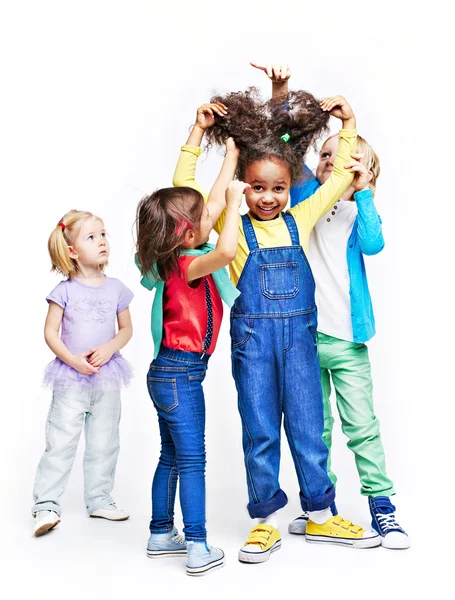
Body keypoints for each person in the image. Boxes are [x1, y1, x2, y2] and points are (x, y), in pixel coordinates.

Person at [174, 88, 380, 562]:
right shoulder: (229, 223)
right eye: (257, 187)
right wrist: (199, 133)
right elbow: (185, 195)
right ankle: (265, 521)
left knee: (309, 425)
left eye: (278, 187)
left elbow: (335, 181)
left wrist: (349, 125)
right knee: (261, 427)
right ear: (241, 187)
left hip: (300, 342)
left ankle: (321, 516)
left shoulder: (302, 216)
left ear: (292, 186)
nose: (268, 197)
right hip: (253, 341)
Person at [254, 60, 410, 550]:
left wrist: (352, 137)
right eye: (324, 154)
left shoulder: (355, 210)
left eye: (339, 157)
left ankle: (382, 508)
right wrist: (280, 92)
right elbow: (281, 148)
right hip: (301, 337)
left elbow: (374, 244)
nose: (328, 160)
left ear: (362, 171)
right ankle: (324, 509)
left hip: (346, 338)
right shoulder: (302, 198)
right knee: (312, 429)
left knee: (362, 428)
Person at [136, 103, 250, 576]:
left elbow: (215, 202)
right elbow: (226, 247)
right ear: (189, 231)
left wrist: (230, 159)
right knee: (194, 460)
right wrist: (238, 209)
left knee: (170, 454)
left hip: (165, 373)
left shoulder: (169, 257)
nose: (214, 212)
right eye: (203, 216)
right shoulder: (190, 262)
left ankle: (161, 532)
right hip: (181, 376)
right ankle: (198, 545)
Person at [32, 210, 133, 537]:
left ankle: (99, 498)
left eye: (103, 234)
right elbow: (50, 333)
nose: (102, 241)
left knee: (105, 440)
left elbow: (126, 330)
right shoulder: (63, 291)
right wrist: (73, 361)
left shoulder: (116, 288)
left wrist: (110, 348)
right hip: (72, 379)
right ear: (72, 250)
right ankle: (46, 504)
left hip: (106, 377)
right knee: (60, 440)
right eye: (92, 237)